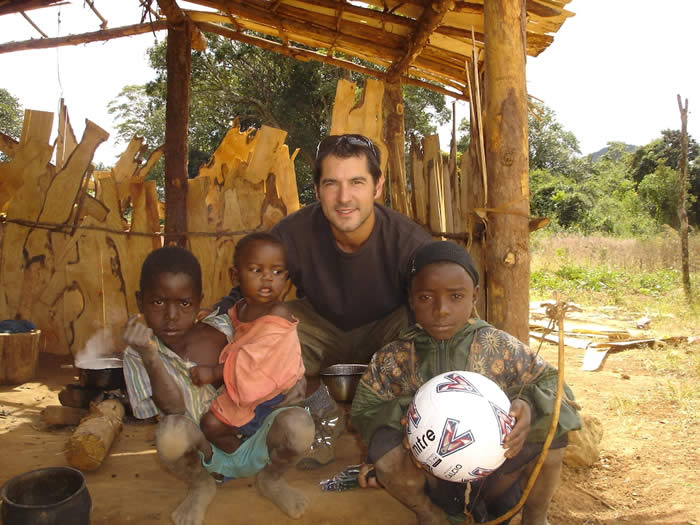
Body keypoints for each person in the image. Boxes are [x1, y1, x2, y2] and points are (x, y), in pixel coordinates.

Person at [216, 133, 433, 468]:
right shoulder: (294, 233)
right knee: (266, 326)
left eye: (357, 182)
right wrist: (217, 318)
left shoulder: (409, 242)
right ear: (317, 190)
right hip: (320, 326)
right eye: (332, 184)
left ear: (377, 187)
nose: (344, 198)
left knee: (423, 326)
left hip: (386, 333)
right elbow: (248, 285)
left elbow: (448, 308)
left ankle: (399, 429)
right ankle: (312, 416)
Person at [351, 241, 581, 525]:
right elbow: (364, 410)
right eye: (426, 298)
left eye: (456, 296)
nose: (441, 310)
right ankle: (429, 515)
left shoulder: (499, 346)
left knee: (552, 434)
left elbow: (558, 390)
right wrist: (407, 418)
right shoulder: (394, 356)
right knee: (384, 449)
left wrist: (529, 406)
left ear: (474, 297)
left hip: (497, 476)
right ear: (410, 299)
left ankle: (535, 517)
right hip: (429, 478)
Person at [122, 246, 314, 525]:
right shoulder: (136, 355)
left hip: (255, 439)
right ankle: (201, 485)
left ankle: (271, 479)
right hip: (203, 452)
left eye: (184, 303)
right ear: (140, 302)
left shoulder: (226, 328)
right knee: (170, 433)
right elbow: (173, 408)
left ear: (199, 301)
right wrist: (150, 356)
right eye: (158, 302)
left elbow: (276, 350)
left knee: (300, 426)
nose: (172, 315)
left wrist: (299, 377)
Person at [190, 232, 305, 454]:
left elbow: (255, 362)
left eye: (277, 271)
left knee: (211, 424)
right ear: (235, 277)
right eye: (256, 270)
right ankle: (244, 453)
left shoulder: (277, 315)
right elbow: (230, 333)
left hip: (273, 396)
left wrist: (214, 372)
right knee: (208, 422)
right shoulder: (240, 308)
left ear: (286, 279)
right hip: (247, 388)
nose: (268, 278)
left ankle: (246, 455)